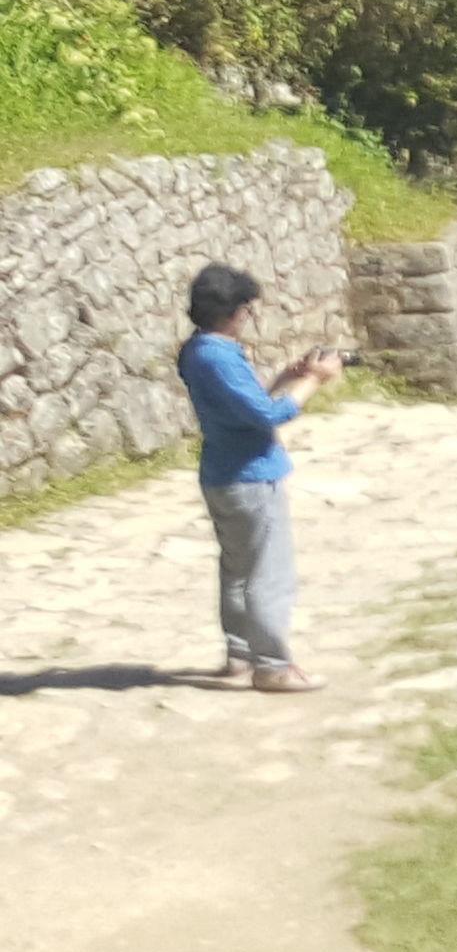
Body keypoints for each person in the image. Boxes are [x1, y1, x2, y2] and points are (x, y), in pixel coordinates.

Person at [176, 264, 342, 694]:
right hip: (250, 478)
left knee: (236, 570)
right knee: (269, 573)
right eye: (246, 310)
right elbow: (267, 415)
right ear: (232, 311)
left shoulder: (198, 351)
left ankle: (240, 657)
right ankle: (272, 665)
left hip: (221, 475)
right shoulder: (219, 356)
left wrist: (289, 377)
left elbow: (243, 407)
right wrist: (316, 383)